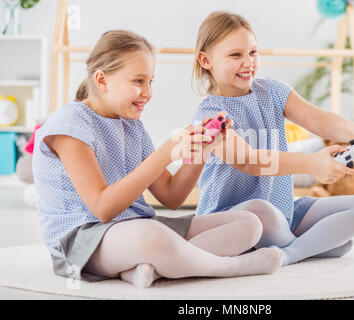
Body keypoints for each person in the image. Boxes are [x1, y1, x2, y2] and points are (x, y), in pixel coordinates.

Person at [32, 30, 282, 288]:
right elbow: (102, 208)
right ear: (102, 80)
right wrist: (165, 153)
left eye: (151, 81)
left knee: (249, 223)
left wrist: (202, 149)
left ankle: (153, 269)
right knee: (153, 235)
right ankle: (231, 267)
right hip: (80, 241)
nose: (148, 93)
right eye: (138, 81)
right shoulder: (69, 125)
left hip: (136, 228)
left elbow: (172, 197)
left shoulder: (131, 126)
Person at [191, 11, 354, 266]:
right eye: (235, 55)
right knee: (260, 210)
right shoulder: (208, 116)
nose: (248, 62)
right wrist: (311, 164)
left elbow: (318, 120)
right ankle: (310, 245)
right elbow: (250, 162)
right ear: (206, 60)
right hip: (234, 218)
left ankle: (288, 253)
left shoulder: (273, 91)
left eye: (253, 52)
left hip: (284, 212)